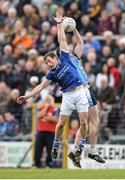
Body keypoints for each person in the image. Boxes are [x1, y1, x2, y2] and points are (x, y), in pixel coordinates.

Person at [17, 8, 88, 168]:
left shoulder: (64, 57)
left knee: (84, 124)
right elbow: (41, 87)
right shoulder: (52, 74)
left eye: (50, 61)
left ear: (55, 58)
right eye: (47, 63)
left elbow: (61, 39)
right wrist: (28, 96)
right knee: (61, 124)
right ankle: (56, 143)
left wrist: (59, 24)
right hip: (68, 96)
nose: (49, 64)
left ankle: (80, 147)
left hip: (80, 91)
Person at [56, 27, 105, 167]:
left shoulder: (74, 58)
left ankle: (76, 150)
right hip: (83, 90)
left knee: (87, 123)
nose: (70, 50)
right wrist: (60, 25)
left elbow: (81, 43)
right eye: (67, 50)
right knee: (94, 121)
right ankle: (93, 151)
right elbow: (62, 41)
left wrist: (74, 29)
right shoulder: (66, 61)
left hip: (85, 90)